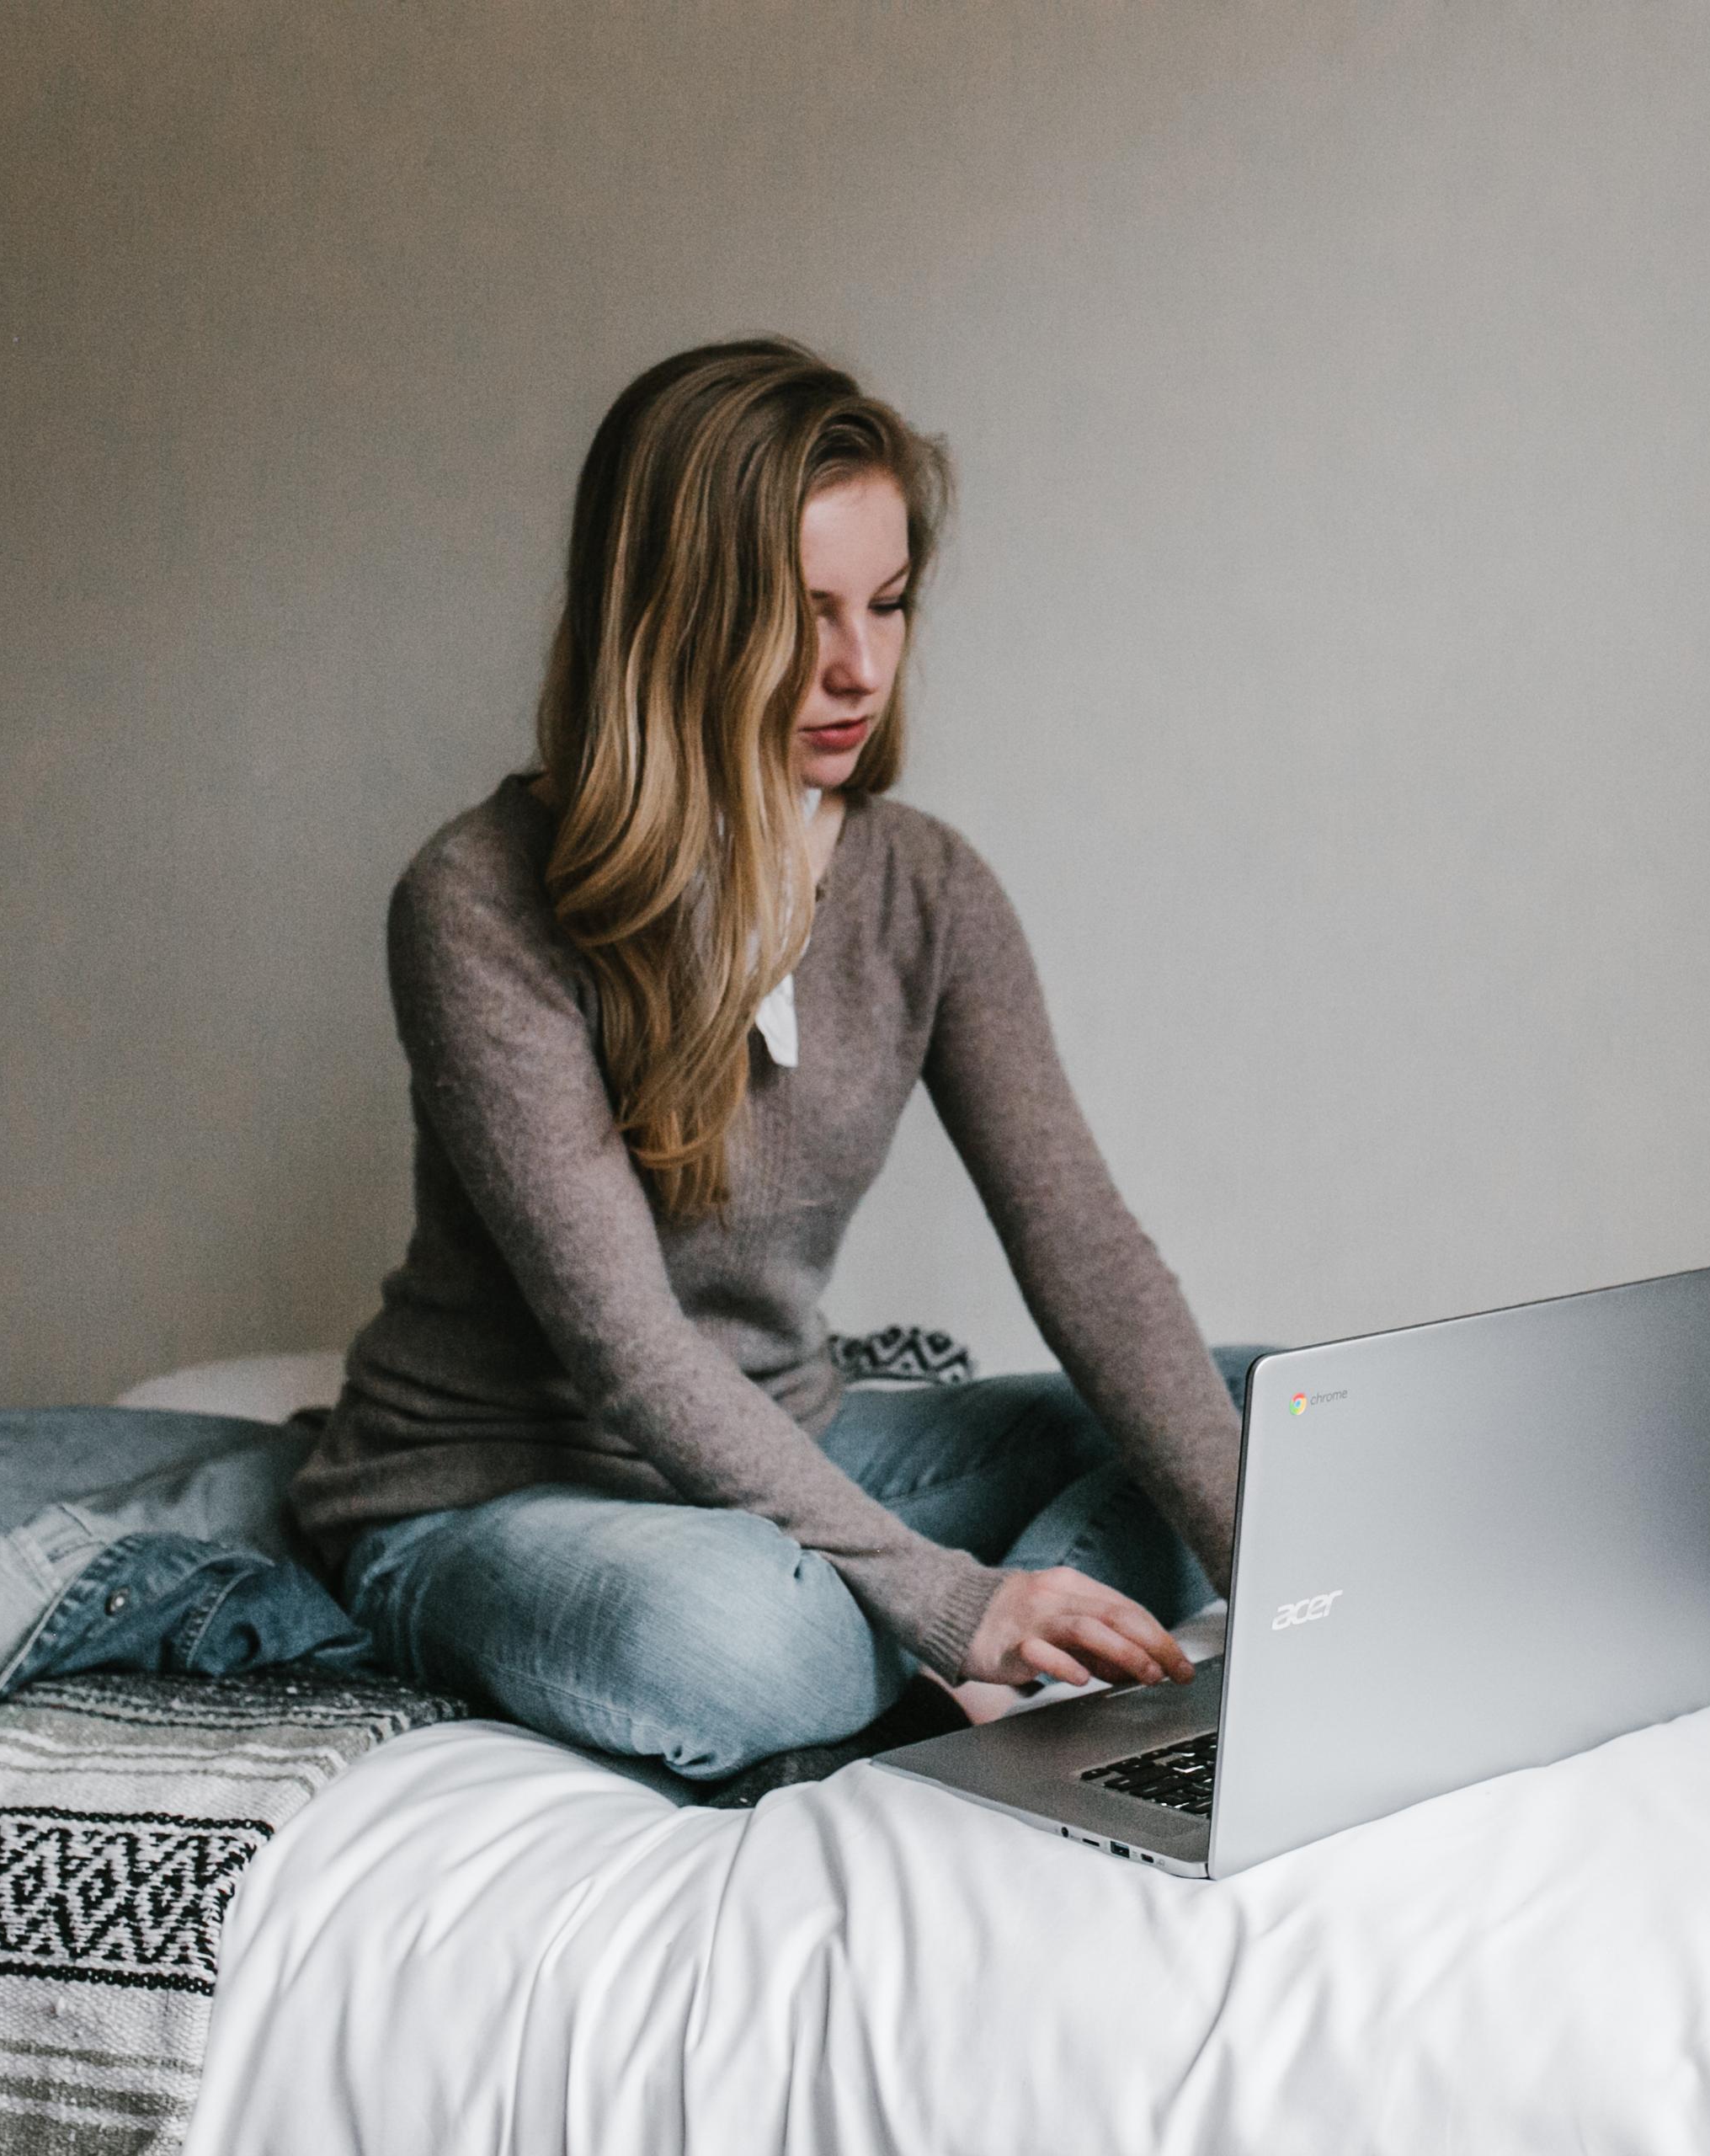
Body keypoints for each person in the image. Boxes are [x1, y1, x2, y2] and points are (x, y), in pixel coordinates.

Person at [287, 338, 1255, 1801]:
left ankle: (1012, 1659)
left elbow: (1083, 1246)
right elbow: (629, 1350)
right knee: (742, 1644)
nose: (859, 667)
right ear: (671, 617)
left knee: (1267, 1413)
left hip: (805, 1447)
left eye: (889, 604)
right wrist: (946, 1597)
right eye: (799, 617)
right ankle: (961, 1642)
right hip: (498, 1492)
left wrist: (1282, 1568)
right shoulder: (478, 899)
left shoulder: (925, 887)